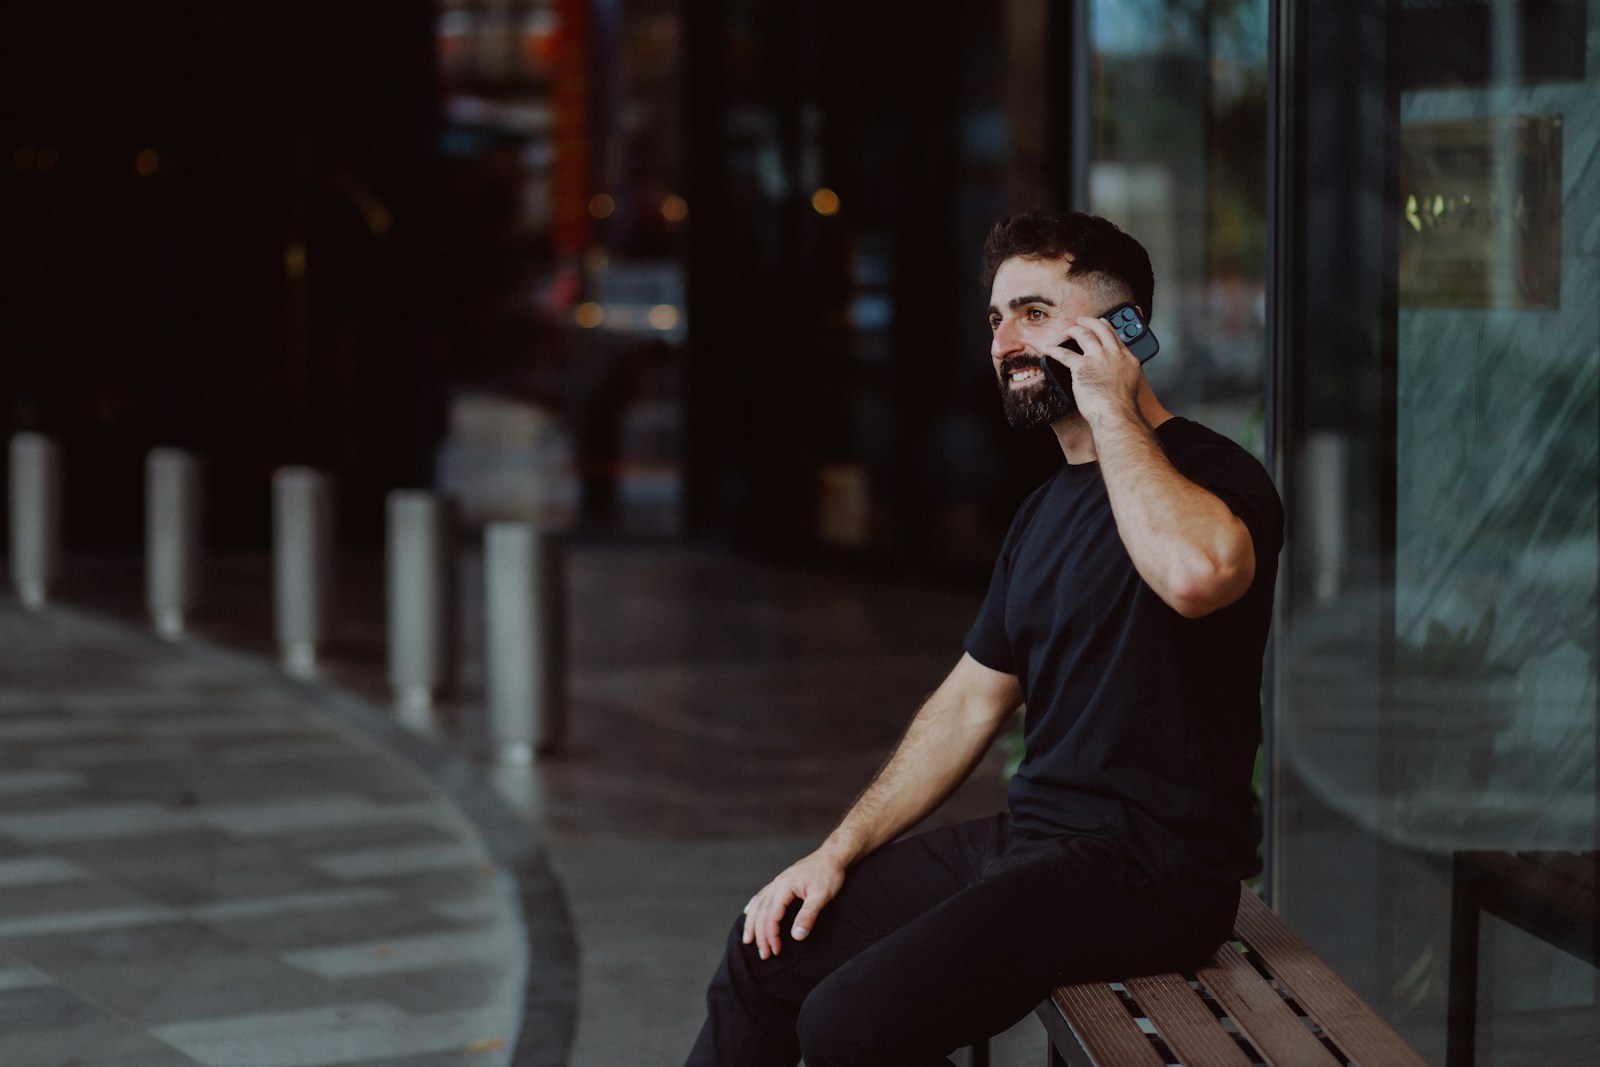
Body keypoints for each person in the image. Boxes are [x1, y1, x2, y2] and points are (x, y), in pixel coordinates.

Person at [684, 209, 1284, 1067]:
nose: (1005, 341)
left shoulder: (1216, 474)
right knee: (765, 950)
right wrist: (834, 852)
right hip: (1032, 845)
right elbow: (969, 701)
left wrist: (1113, 411)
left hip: (1151, 873)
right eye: (997, 318)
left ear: (1124, 330)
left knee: (850, 1022)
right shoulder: (1043, 512)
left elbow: (1194, 577)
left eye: (1035, 312)